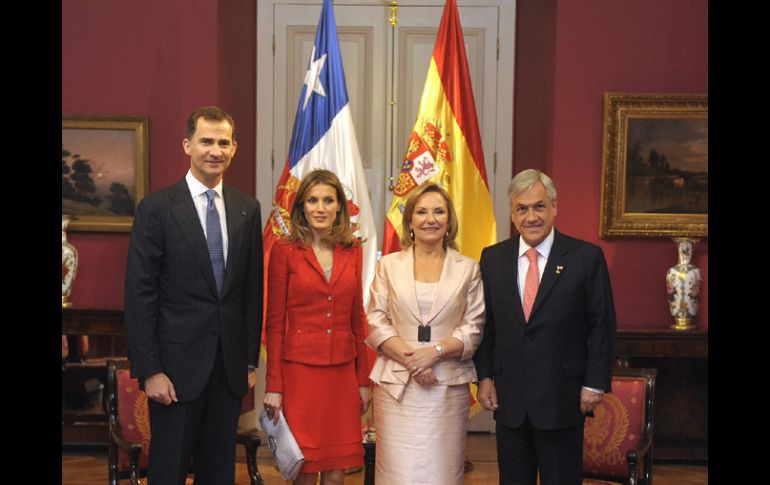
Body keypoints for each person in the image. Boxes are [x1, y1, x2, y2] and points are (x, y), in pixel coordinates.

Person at [124, 106, 263, 485]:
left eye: (223, 143)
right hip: (173, 373)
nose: (215, 151)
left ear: (234, 148)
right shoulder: (157, 209)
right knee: (168, 473)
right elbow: (140, 295)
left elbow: (252, 292)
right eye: (206, 141)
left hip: (228, 371)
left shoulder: (247, 210)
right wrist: (150, 370)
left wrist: (249, 362)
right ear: (187, 145)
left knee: (218, 474)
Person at [473, 169, 616, 485]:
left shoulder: (585, 257)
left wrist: (595, 383)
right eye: (522, 209)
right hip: (510, 400)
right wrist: (484, 377)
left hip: (563, 398)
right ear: (512, 214)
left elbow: (602, 326)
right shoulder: (493, 258)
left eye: (539, 206)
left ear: (554, 207)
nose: (531, 217)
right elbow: (485, 324)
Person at [365, 182, 485, 485]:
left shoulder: (469, 268)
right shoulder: (388, 265)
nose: (430, 219)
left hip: (446, 385)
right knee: (397, 473)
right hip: (396, 386)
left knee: (441, 472)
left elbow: (473, 326)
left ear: (449, 221)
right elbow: (376, 320)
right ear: (410, 221)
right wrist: (413, 361)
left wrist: (434, 353)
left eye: (438, 212)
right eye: (421, 212)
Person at [263, 169, 371, 485]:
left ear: (339, 207)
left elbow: (358, 318)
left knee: (337, 471)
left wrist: (363, 380)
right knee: (305, 470)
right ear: (302, 206)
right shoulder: (284, 250)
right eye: (312, 200)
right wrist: (274, 385)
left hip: (342, 373)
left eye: (328, 200)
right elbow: (274, 323)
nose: (320, 208)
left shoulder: (353, 250)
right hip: (299, 374)